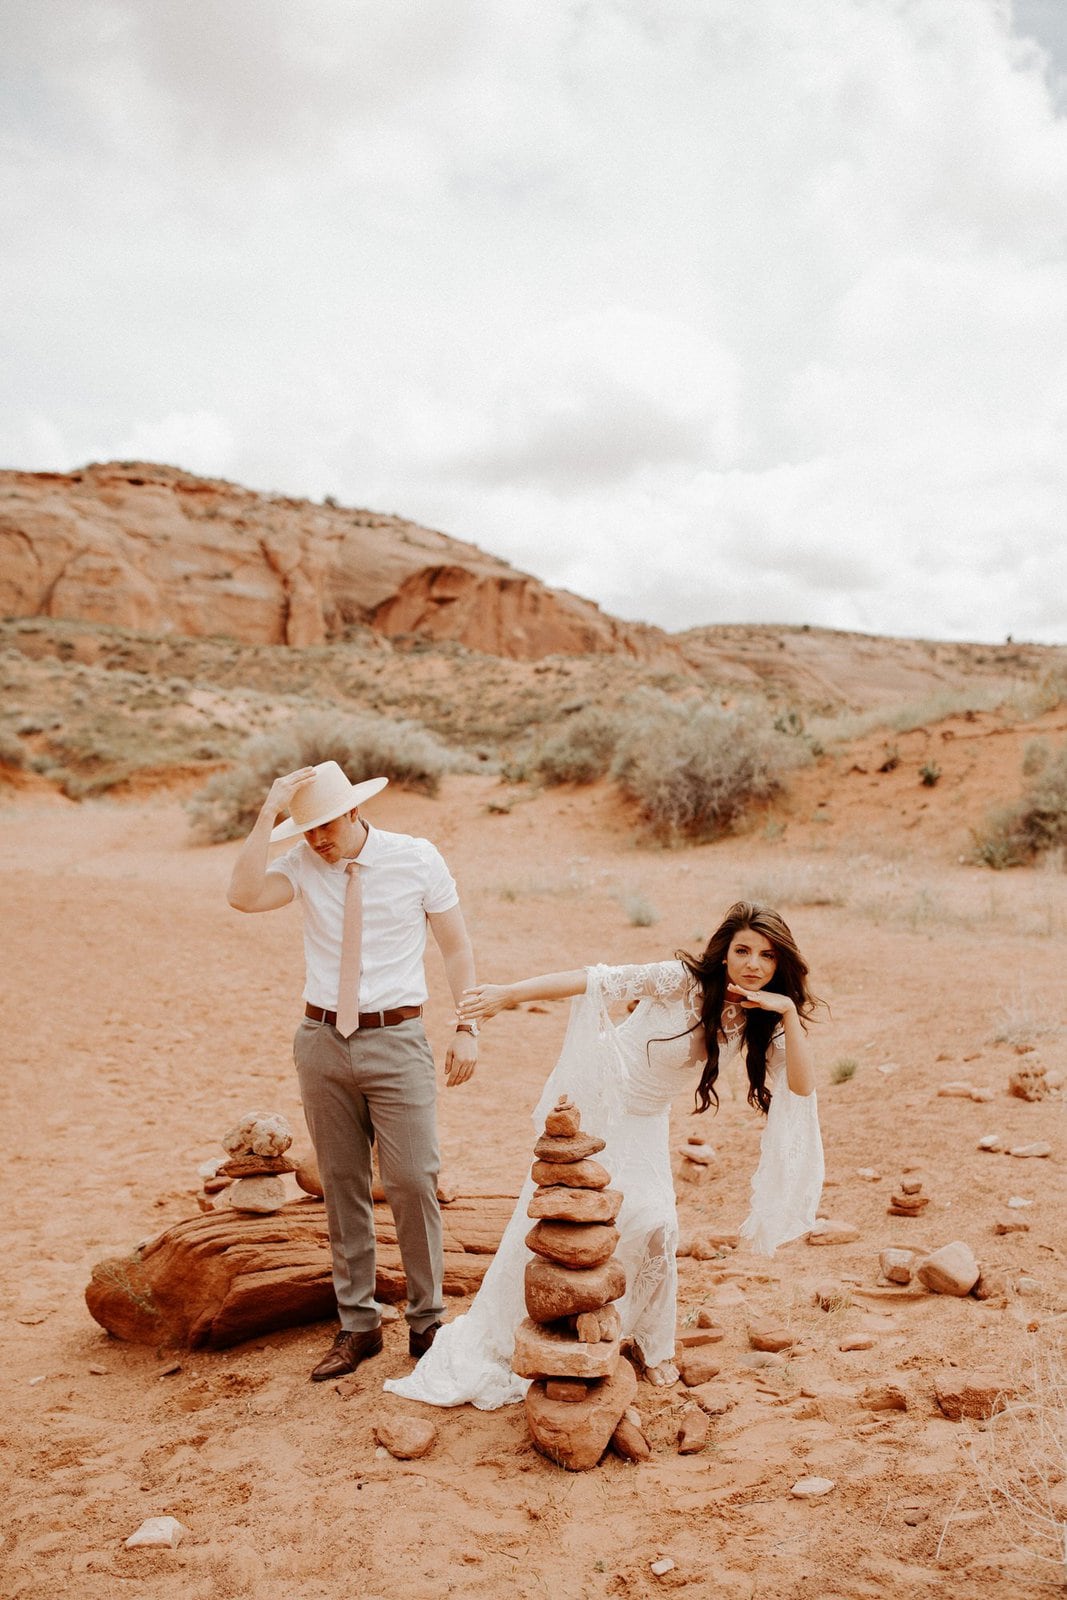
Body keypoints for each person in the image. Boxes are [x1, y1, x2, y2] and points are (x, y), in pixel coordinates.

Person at [384, 901, 823, 1410]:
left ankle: (645, 1340)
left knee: (656, 1223)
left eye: (766, 955)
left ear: (779, 963)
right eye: (742, 949)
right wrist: (508, 995)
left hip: (648, 1119)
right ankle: (538, 1330)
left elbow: (802, 1085)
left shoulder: (758, 1016)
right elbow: (591, 979)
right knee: (569, 1227)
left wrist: (788, 1012)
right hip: (600, 1102)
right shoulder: (678, 980)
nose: (752, 963)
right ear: (723, 951)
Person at [227, 760, 479, 1382]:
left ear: (354, 811)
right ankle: (358, 1326)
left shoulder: (417, 858)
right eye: (304, 829)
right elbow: (241, 896)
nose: (316, 839)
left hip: (398, 1038)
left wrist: (468, 1027)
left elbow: (457, 947)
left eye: (324, 826)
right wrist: (268, 814)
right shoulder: (301, 865)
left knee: (414, 1178)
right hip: (321, 1041)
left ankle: (427, 1323)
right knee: (341, 1183)